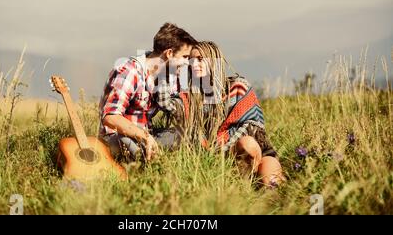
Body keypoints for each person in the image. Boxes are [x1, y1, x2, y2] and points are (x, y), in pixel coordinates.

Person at [157, 41, 285, 187]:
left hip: (254, 152)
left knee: (270, 182)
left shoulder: (237, 87)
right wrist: (164, 69)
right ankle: (242, 190)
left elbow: (252, 127)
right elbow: (166, 104)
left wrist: (220, 145)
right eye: (191, 60)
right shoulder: (190, 96)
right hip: (219, 160)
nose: (194, 64)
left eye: (200, 59)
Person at [98, 23, 198, 163]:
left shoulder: (169, 76)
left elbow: (182, 103)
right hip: (117, 137)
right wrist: (145, 137)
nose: (188, 62)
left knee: (188, 136)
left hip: (146, 135)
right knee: (139, 153)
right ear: (169, 53)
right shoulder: (129, 71)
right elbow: (110, 118)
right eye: (185, 57)